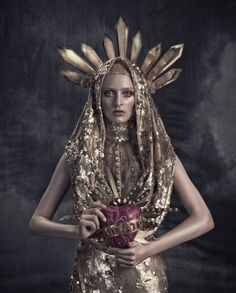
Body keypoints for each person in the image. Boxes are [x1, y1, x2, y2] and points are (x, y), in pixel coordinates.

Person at [29, 17, 214, 293]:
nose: (118, 103)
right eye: (109, 94)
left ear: (139, 97)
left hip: (145, 273)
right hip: (92, 273)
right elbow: (36, 222)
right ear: (96, 97)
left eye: (127, 94)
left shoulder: (159, 156)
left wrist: (149, 249)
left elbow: (203, 218)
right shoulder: (78, 155)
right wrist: (75, 230)